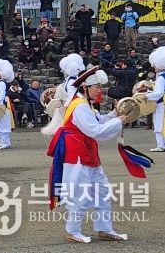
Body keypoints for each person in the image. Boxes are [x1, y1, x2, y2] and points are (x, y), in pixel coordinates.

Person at [46, 67, 129, 243]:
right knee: (79, 193)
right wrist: (118, 121)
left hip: (87, 151)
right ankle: (73, 231)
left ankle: (104, 228)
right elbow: (95, 130)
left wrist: (115, 114)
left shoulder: (84, 103)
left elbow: (98, 121)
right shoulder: (80, 106)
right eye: (96, 87)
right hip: (77, 153)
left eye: (101, 87)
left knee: (102, 191)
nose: (100, 90)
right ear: (85, 87)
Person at [146, 47, 165, 152]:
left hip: (161, 103)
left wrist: (147, 95)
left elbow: (159, 93)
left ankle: (161, 145)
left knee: (158, 122)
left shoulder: (161, 77)